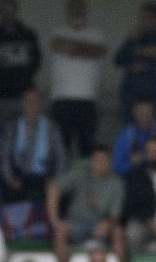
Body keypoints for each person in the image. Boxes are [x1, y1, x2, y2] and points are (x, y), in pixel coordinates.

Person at [47, 0, 108, 157]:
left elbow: (99, 51)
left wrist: (73, 48)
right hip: (61, 100)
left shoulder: (97, 34)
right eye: (73, 8)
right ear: (67, 11)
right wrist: (86, 49)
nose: (77, 12)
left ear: (86, 11)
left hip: (88, 100)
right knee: (61, 148)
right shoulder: (57, 31)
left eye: (80, 8)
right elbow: (59, 45)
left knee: (87, 149)